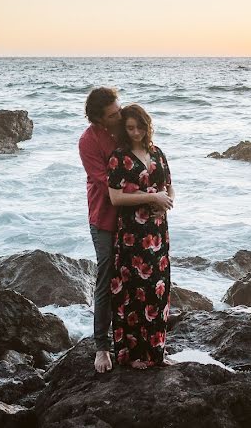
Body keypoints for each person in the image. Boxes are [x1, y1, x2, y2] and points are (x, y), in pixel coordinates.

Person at [107, 104, 175, 369]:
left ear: (148, 125)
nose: (135, 132)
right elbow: (115, 197)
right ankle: (133, 355)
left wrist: (167, 200)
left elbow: (170, 187)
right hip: (132, 234)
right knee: (134, 289)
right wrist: (151, 197)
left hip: (158, 230)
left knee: (157, 289)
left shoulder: (158, 153)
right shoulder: (119, 157)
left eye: (140, 127)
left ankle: (156, 352)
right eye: (130, 128)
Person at [78, 87, 122, 373]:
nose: (119, 116)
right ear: (98, 118)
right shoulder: (88, 140)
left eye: (119, 110)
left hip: (133, 218)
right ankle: (102, 347)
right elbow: (106, 181)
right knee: (106, 278)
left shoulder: (123, 127)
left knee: (133, 278)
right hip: (104, 218)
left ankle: (131, 340)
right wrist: (145, 194)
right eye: (113, 114)